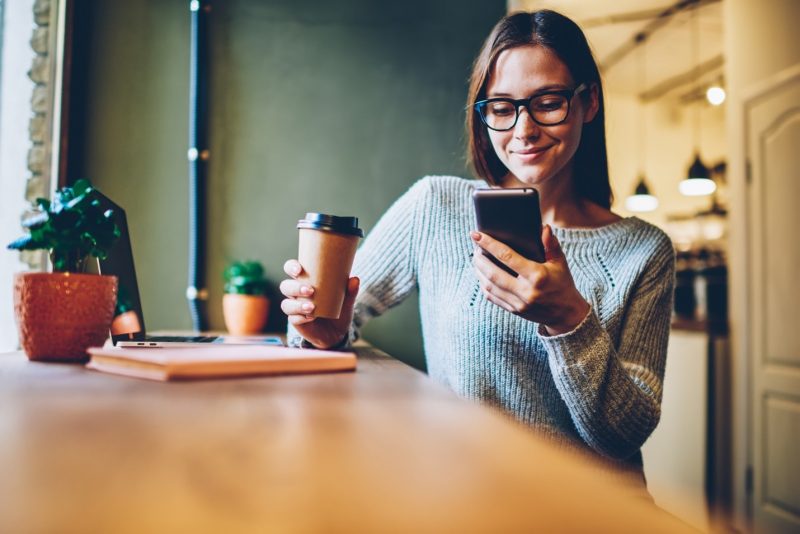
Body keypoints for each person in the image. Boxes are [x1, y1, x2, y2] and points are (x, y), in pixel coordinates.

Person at [280, 10, 675, 485]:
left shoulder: (644, 251)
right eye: (502, 108)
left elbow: (624, 436)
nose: (523, 130)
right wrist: (318, 329)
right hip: (467, 498)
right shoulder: (435, 206)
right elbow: (330, 325)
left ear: (588, 101)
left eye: (547, 102)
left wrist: (569, 320)